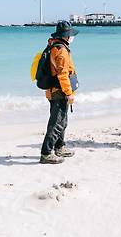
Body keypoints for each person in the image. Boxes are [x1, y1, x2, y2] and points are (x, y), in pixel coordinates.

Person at [40, 21, 79, 164]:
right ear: (66, 36)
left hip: (54, 90)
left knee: (62, 121)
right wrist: (69, 93)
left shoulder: (53, 46)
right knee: (57, 123)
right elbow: (62, 74)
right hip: (59, 91)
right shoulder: (61, 50)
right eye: (70, 35)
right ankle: (46, 153)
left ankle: (60, 147)